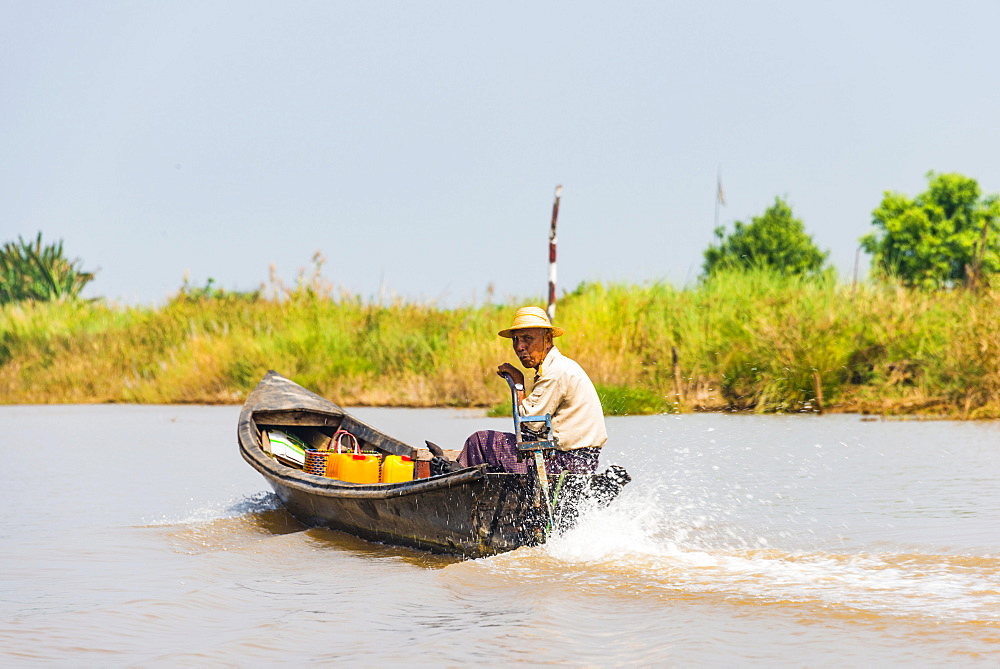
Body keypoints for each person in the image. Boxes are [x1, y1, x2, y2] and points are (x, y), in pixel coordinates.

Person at [430, 306, 607, 475]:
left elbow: (528, 425)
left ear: (548, 340)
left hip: (564, 462)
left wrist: (518, 385)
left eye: (527, 339)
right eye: (516, 340)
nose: (520, 347)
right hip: (575, 460)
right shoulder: (559, 367)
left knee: (480, 441)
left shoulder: (556, 372)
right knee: (490, 447)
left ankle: (455, 484)